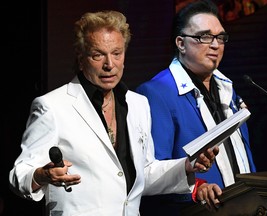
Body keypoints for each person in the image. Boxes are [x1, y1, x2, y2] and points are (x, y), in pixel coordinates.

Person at [8, 10, 220, 216]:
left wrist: (188, 164)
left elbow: (144, 173)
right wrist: (41, 175)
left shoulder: (138, 104)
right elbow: (19, 175)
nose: (110, 65)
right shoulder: (52, 106)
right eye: (98, 55)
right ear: (81, 58)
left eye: (116, 53)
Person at [136, 0, 256, 215]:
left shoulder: (228, 89)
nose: (215, 45)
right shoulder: (157, 93)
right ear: (181, 43)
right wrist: (195, 189)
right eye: (204, 36)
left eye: (220, 37)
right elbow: (150, 171)